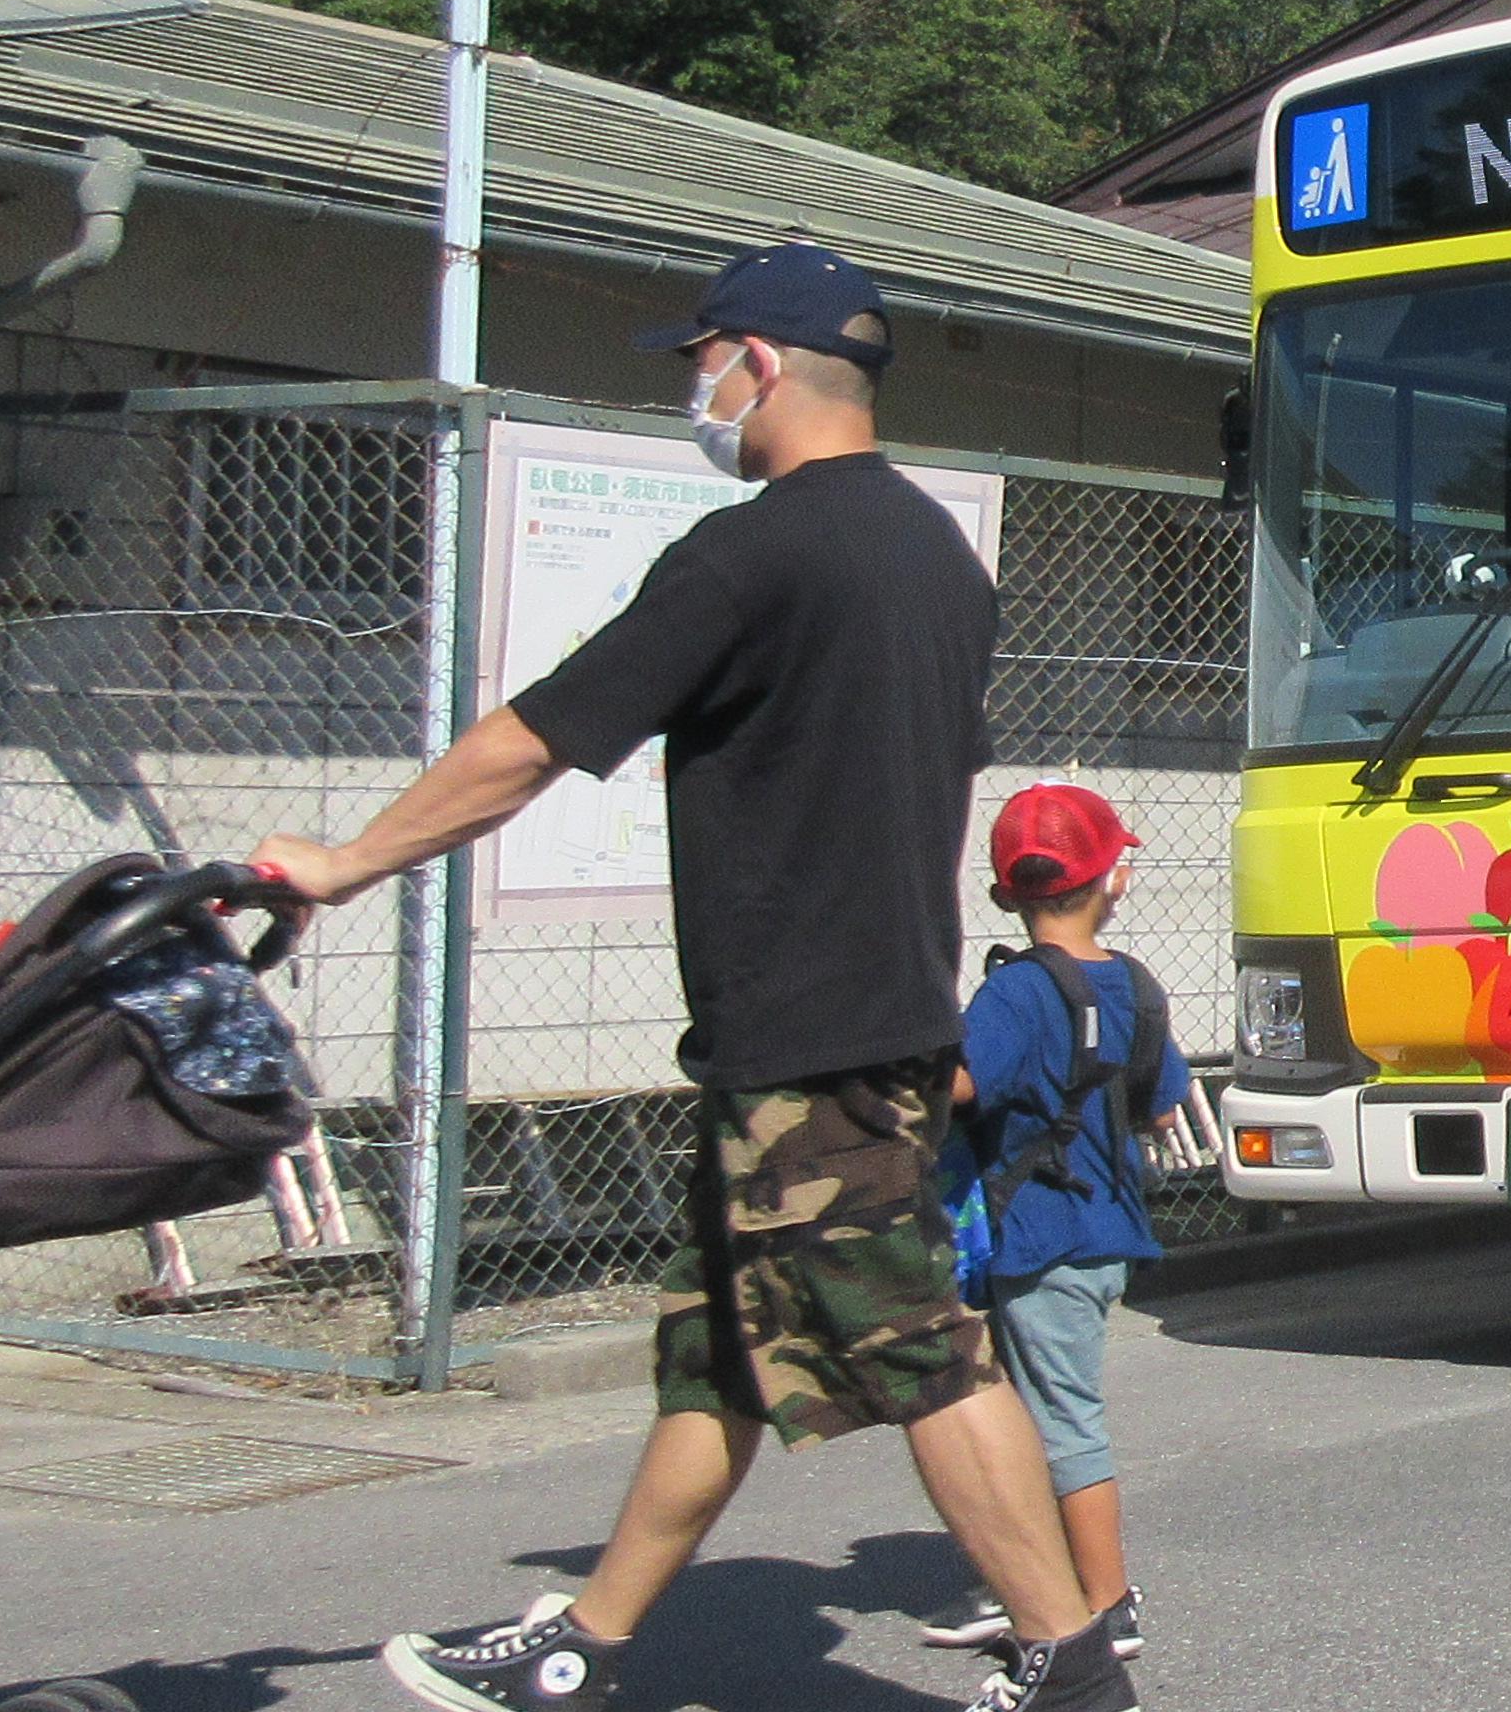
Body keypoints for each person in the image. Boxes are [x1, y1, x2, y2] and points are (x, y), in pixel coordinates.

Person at [248, 243, 1130, 1712]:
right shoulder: (938, 558)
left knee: (914, 1344)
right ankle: (588, 1646)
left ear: (761, 363)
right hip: (878, 1012)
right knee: (723, 1349)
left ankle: (1071, 1667)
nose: (694, 387)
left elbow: (531, 741)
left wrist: (341, 863)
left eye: (699, 358)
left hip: (808, 1034)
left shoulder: (750, 552)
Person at [920, 786, 1191, 1664]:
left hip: (1039, 1237)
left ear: (1006, 894)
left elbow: (961, 1087)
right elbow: (1161, 1102)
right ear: (1117, 877)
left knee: (1061, 1418)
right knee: (1031, 1410)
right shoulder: (1136, 986)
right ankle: (1029, 1581)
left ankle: (1107, 1603)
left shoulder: (1015, 995)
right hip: (1105, 1229)